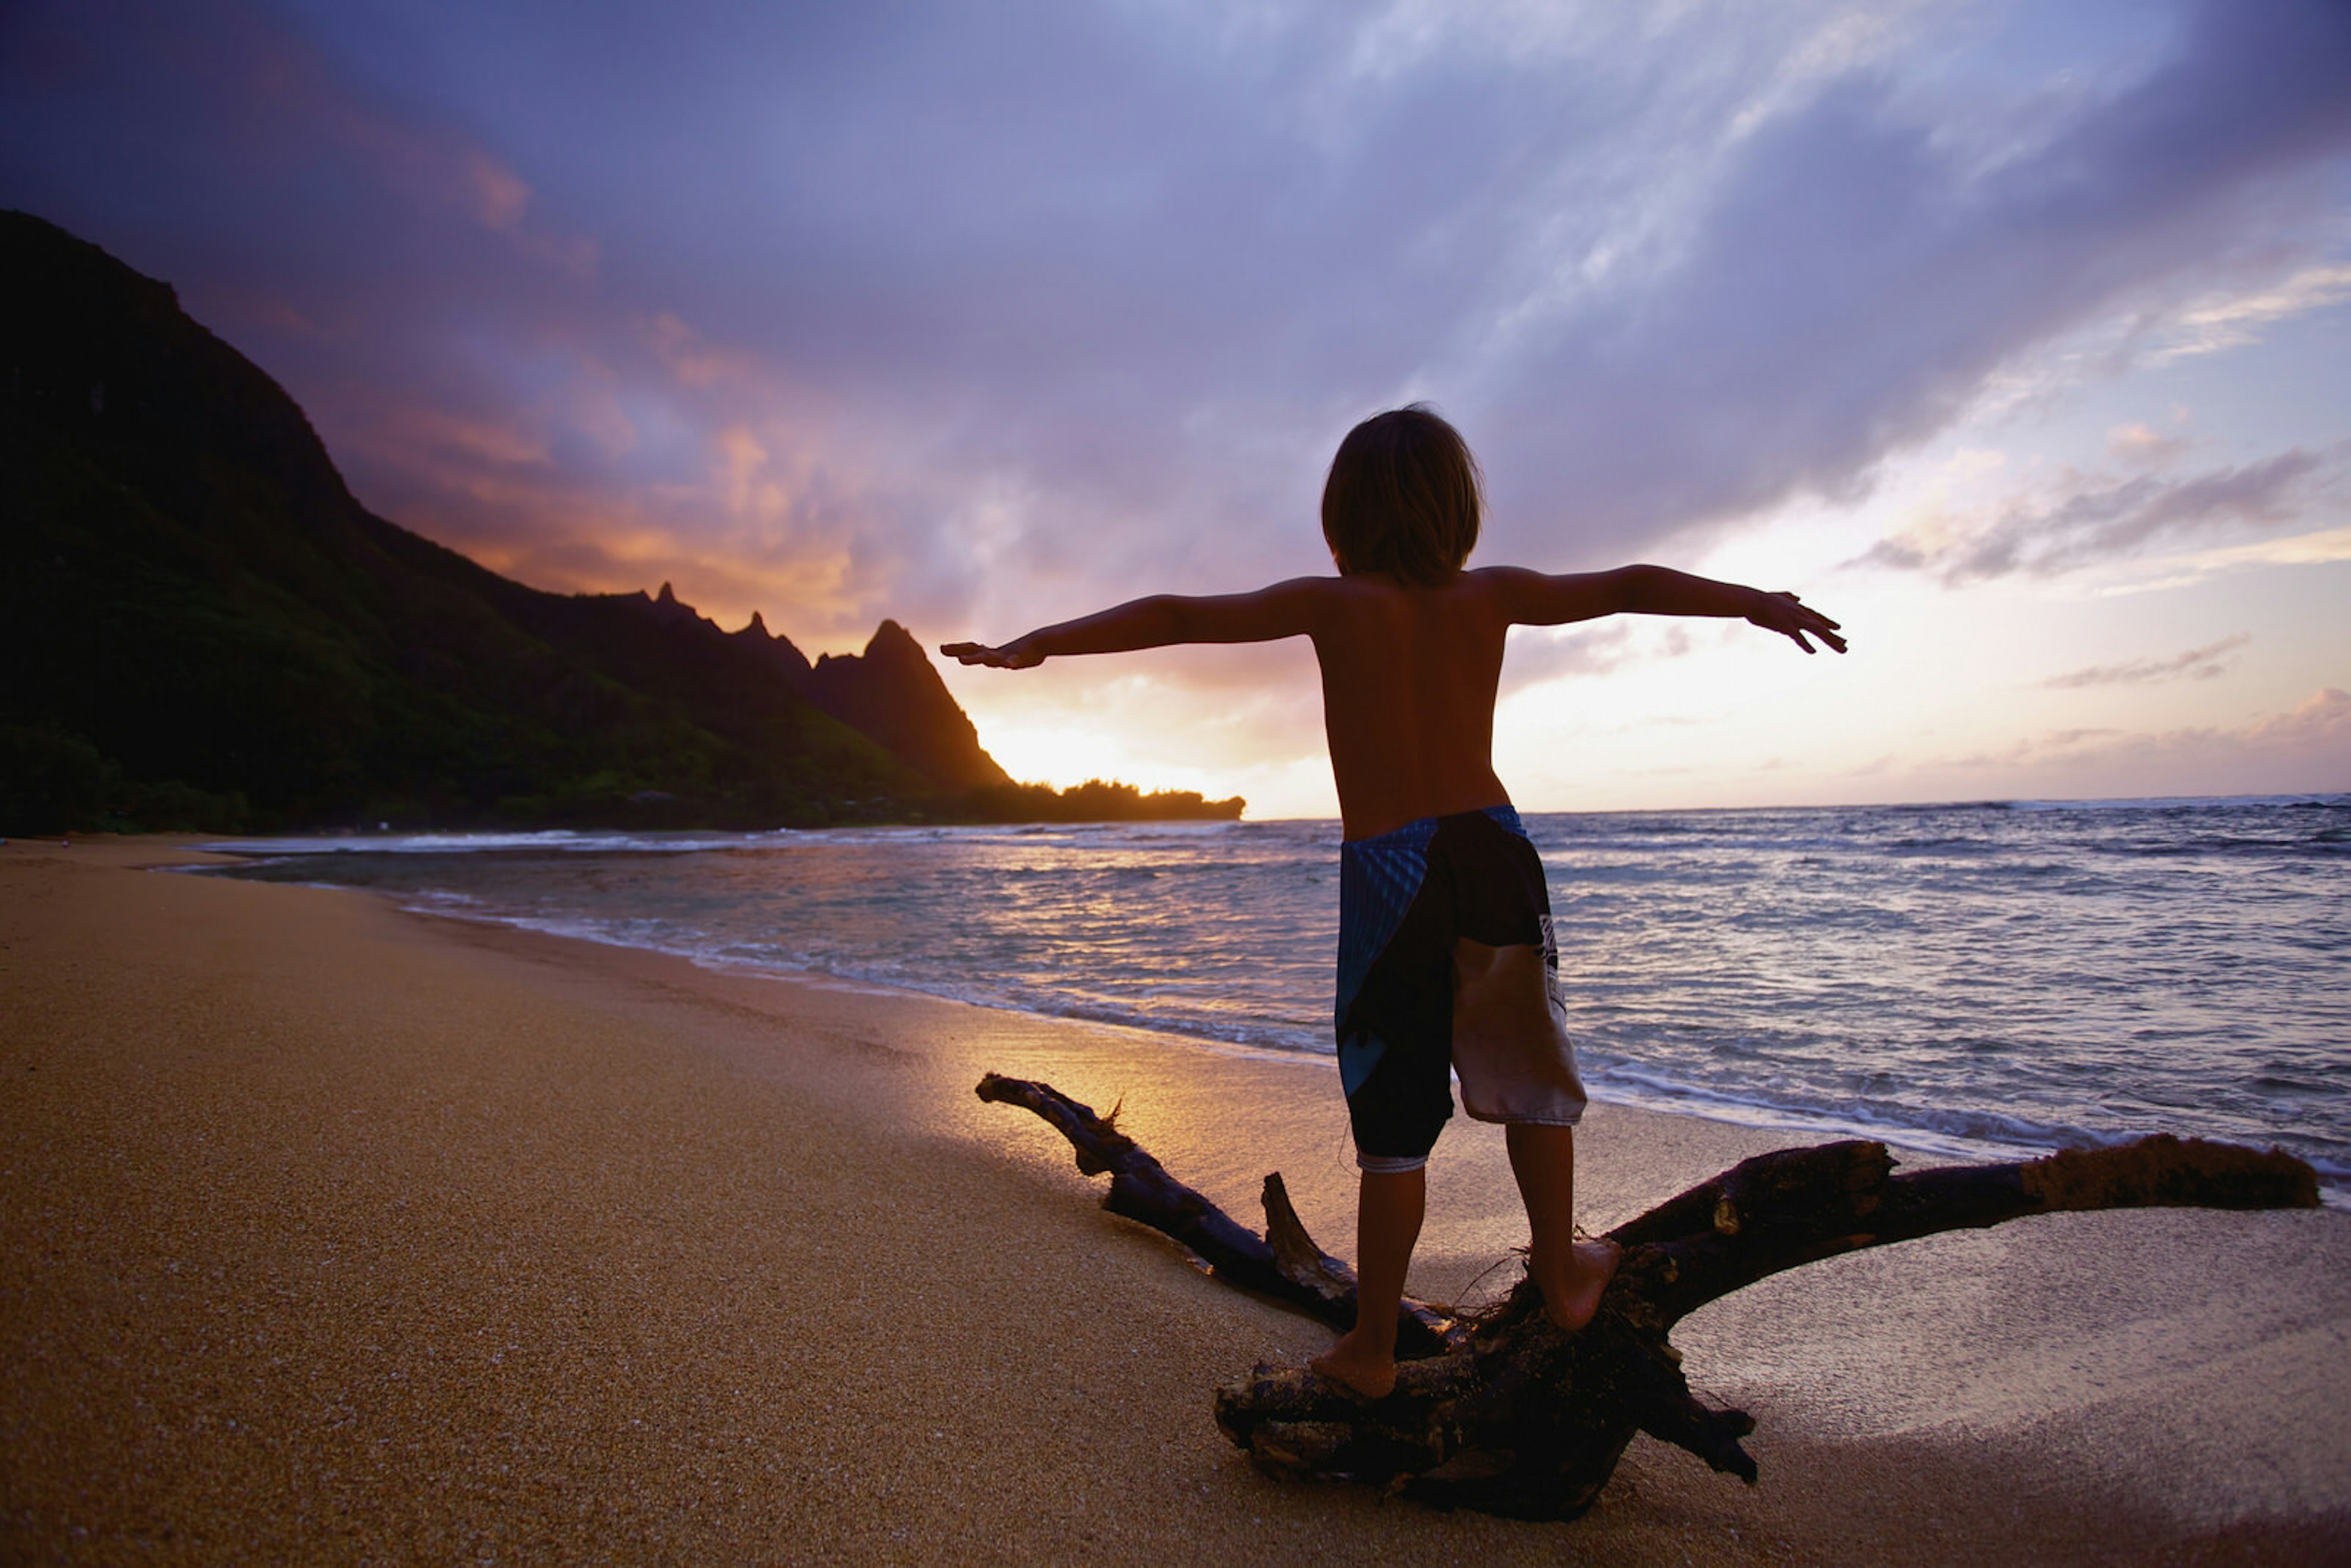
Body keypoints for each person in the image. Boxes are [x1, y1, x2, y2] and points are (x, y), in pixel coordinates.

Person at [943, 405, 1846, 1399]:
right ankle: (1559, 1264)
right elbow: (1631, 584)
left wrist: (1041, 642)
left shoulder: (1337, 604)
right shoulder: (1492, 594)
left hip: (1389, 870)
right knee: (1529, 1073)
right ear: (1460, 511)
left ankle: (1375, 1342)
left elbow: (1177, 613)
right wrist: (1756, 600)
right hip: (1494, 849)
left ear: (1342, 517)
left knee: (1392, 1113)